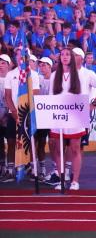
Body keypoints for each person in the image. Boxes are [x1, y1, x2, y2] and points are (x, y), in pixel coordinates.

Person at [48, 48, 96, 190]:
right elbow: (51, 97)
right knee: (59, 149)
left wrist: (92, 104)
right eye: (63, 55)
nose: (66, 57)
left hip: (76, 115)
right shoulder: (54, 75)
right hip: (59, 115)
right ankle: (62, 179)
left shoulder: (83, 74)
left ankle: (75, 181)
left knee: (75, 148)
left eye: (69, 55)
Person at [3, 52, 40, 183]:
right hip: (13, 113)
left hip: (29, 114)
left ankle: (32, 169)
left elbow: (35, 94)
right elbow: (7, 96)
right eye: (19, 55)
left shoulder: (34, 75)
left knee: (30, 141)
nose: (21, 58)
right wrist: (14, 113)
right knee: (12, 141)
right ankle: (11, 170)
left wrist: (25, 115)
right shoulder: (10, 74)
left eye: (24, 55)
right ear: (16, 58)